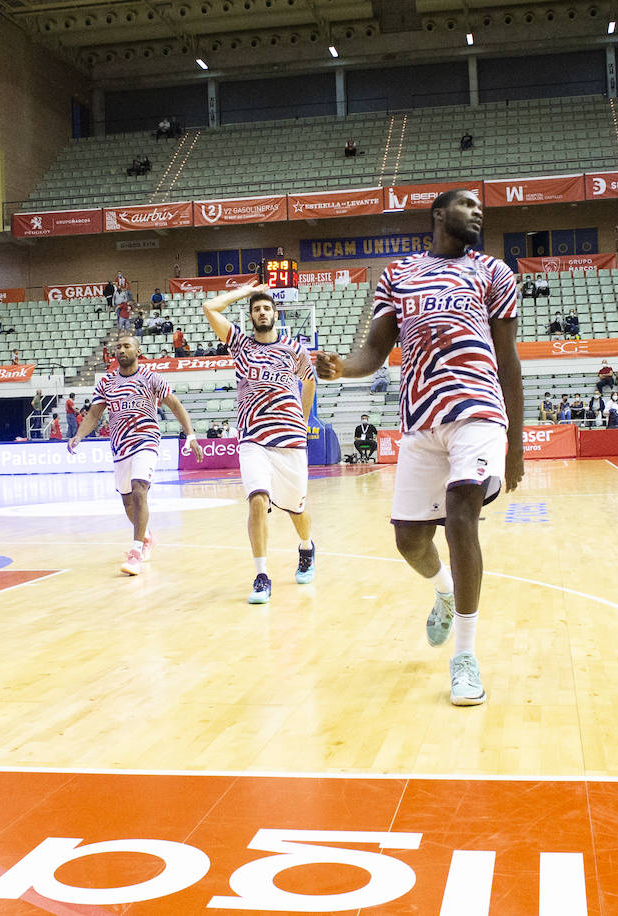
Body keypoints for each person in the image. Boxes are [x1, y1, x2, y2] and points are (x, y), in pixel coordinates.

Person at [316, 188, 523, 707]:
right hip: (419, 420)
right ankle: (444, 594)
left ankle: (466, 658)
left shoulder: (494, 273)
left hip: (478, 411)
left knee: (461, 515)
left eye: (482, 208)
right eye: (467, 205)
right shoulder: (399, 274)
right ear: (438, 214)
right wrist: (343, 367)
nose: (478, 212)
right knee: (409, 540)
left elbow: (509, 360)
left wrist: (515, 444)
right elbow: (374, 350)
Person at [204, 282, 318, 604]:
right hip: (253, 438)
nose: (262, 312)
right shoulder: (239, 344)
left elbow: (309, 382)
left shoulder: (294, 349)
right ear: (251, 316)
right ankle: (261, 575)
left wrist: (304, 419)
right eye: (256, 309)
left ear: (275, 313)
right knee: (257, 500)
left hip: (290, 439)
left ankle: (307, 546)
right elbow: (210, 308)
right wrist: (247, 290)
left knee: (297, 510)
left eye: (266, 308)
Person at [68, 334, 203, 575]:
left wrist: (190, 435)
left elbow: (175, 405)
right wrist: (79, 436)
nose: (121, 350)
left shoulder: (151, 378)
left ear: (138, 352)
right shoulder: (107, 382)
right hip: (120, 447)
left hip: (146, 441)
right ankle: (147, 536)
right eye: (118, 347)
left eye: (126, 346)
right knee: (128, 501)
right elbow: (94, 415)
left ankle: (136, 552)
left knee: (140, 488)